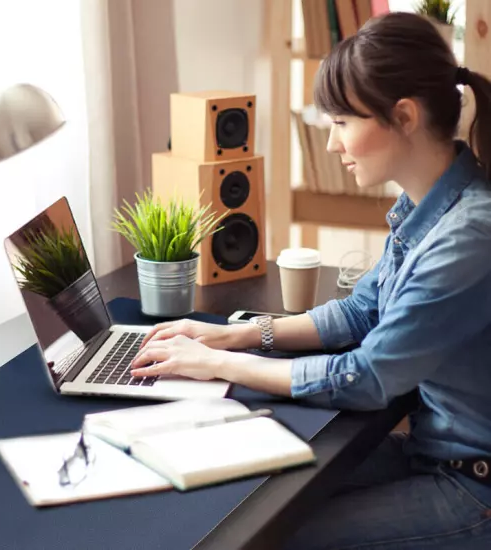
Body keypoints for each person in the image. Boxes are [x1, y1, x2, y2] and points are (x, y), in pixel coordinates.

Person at [131, 12, 491, 549]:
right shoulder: (427, 206)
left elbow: (366, 377)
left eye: (343, 123)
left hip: (470, 486)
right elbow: (359, 311)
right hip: (432, 452)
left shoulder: (468, 236)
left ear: (405, 116)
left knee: (263, 535)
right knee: (238, 489)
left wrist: (219, 365)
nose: (331, 144)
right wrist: (235, 334)